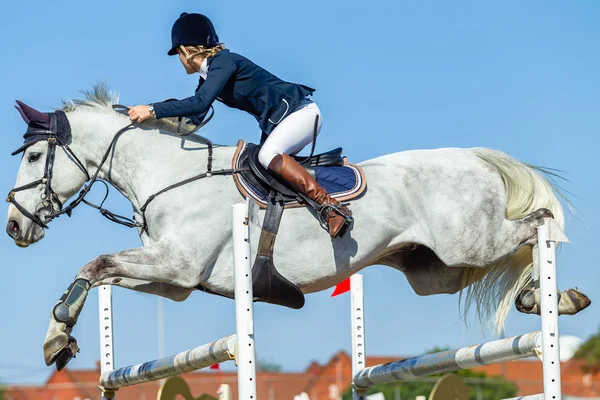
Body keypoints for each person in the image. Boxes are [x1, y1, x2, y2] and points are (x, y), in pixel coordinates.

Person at [128, 12, 352, 238]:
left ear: (185, 50)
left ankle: (331, 207)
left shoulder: (223, 62)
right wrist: (151, 124)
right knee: (258, 165)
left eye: (177, 53)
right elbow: (194, 118)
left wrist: (153, 109)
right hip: (282, 121)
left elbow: (199, 103)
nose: (179, 59)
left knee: (267, 155)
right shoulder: (209, 74)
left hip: (301, 113)